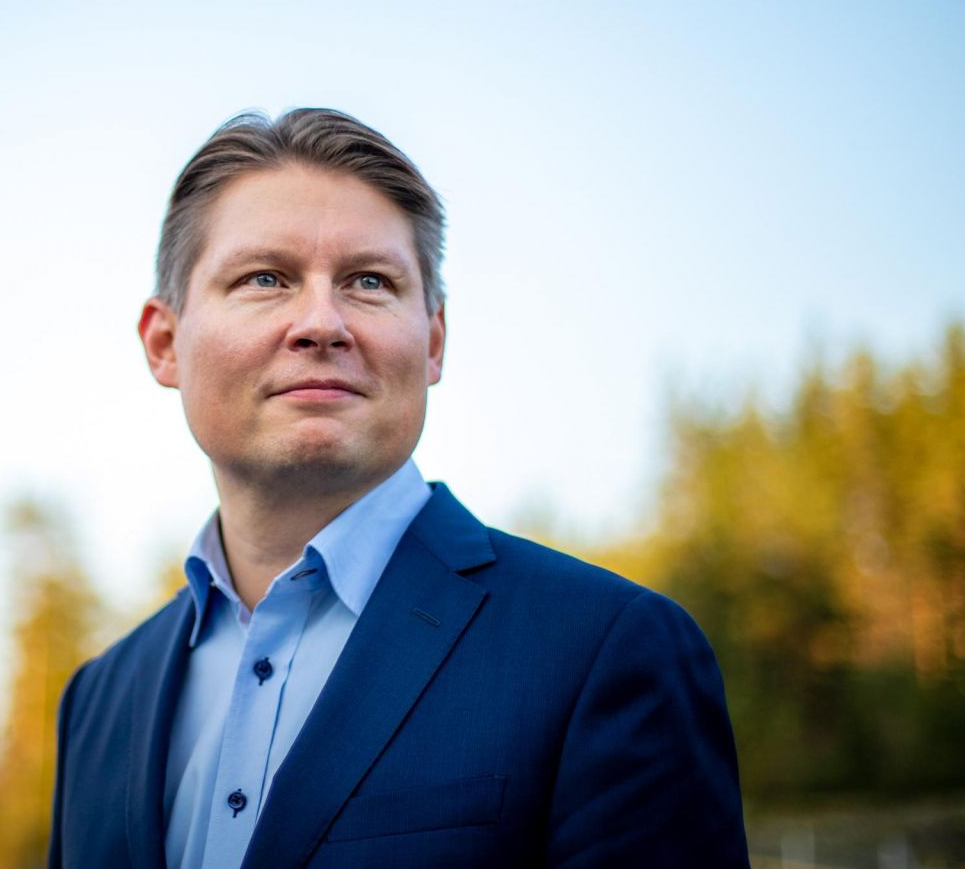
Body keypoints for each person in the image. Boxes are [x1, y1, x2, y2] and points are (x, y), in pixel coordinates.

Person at [48, 108, 749, 868]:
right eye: (265, 278)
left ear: (434, 341)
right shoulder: (96, 702)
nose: (321, 323)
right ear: (164, 343)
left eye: (369, 281)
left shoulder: (605, 651)